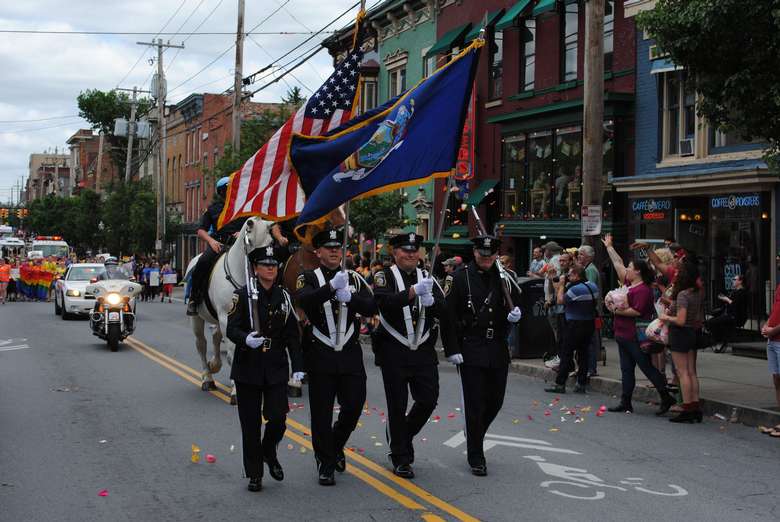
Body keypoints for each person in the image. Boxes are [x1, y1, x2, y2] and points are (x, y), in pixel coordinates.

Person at [295, 227, 377, 486]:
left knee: (354, 405)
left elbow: (372, 306)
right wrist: (331, 288)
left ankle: (335, 443)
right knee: (321, 412)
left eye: (337, 248)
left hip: (350, 354)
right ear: (318, 253)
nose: (334, 251)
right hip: (320, 352)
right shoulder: (308, 277)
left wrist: (349, 296)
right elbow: (305, 301)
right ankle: (325, 462)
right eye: (328, 248)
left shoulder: (354, 278)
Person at [441, 235, 522, 476]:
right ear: (475, 253)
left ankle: (475, 431)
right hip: (471, 345)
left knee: (495, 401)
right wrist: (452, 349)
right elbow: (448, 316)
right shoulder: (459, 277)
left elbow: (517, 302)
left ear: (496, 254)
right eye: (482, 254)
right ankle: (476, 454)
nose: (486, 259)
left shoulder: (505, 278)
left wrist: (516, 314)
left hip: (497, 345)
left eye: (491, 254)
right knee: (475, 402)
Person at [225, 244, 304, 492]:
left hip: (276, 366)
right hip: (248, 366)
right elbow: (231, 328)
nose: (270, 269)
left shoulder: (284, 296)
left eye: (274, 265)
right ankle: (255, 473)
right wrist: (245, 338)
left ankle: (269, 450)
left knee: (278, 418)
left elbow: (292, 334)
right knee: (250, 424)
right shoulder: (243, 294)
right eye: (265, 265)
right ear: (255, 269)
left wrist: (298, 366)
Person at [372, 233, 443, 479]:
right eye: (405, 250)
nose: (411, 254)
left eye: (415, 251)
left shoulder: (429, 277)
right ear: (395, 252)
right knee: (397, 404)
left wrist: (432, 301)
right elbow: (383, 303)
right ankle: (401, 457)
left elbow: (445, 311)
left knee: (428, 399)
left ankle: (401, 435)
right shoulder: (384, 275)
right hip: (394, 349)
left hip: (422, 349)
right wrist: (413, 292)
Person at [602, 234, 675, 415]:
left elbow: (636, 311)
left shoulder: (644, 290)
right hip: (622, 333)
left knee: (646, 367)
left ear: (638, 272)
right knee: (626, 369)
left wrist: (614, 310)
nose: (627, 269)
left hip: (635, 335)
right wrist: (609, 247)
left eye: (630, 268)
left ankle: (666, 397)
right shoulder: (629, 283)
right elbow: (618, 264)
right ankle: (625, 401)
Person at [187, 176, 249, 315]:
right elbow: (201, 230)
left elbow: (251, 224)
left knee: (263, 262)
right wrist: (211, 241)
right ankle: (194, 298)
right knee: (202, 263)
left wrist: (242, 232)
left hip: (239, 245)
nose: (230, 193)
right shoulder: (212, 209)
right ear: (221, 192)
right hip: (219, 244)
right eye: (227, 190)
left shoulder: (244, 208)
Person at [658, 261, 705, 423]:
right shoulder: (696, 292)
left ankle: (687, 408)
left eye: (679, 272)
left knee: (682, 372)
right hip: (693, 331)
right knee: (692, 371)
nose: (676, 274)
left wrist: (666, 317)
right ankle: (695, 406)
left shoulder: (683, 294)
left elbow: (680, 320)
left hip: (681, 333)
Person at [544, 264, 599, 394]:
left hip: (574, 324)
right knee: (583, 353)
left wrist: (562, 284)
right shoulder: (592, 286)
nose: (568, 276)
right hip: (589, 323)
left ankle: (560, 384)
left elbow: (560, 300)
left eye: (570, 274)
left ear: (576, 275)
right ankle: (581, 384)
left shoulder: (576, 289)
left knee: (566, 353)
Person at [544, 251, 572, 369]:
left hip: (567, 312)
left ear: (570, 262)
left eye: (564, 260)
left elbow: (561, 295)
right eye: (560, 260)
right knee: (560, 337)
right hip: (559, 310)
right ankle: (562, 360)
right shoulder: (562, 274)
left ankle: (564, 362)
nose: (561, 262)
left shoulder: (569, 275)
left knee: (564, 338)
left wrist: (553, 279)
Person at [577, 244, 603, 377]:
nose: (579, 256)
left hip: (590, 310)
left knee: (590, 340)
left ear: (588, 257)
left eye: (581, 254)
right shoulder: (585, 268)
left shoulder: (590, 270)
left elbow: (589, 289)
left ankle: (591, 368)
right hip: (586, 310)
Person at [760, 278, 780, 438]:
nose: (778, 258)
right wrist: (767, 325)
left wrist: (773, 331)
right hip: (772, 340)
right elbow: (775, 311)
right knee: (777, 380)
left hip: (778, 339)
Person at [706, 274, 748, 350]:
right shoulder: (735, 291)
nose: (733, 281)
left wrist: (726, 299)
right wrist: (724, 299)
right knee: (710, 321)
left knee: (711, 322)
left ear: (740, 281)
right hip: (729, 315)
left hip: (735, 316)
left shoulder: (742, 292)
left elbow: (735, 305)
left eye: (735, 279)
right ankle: (719, 339)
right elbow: (729, 304)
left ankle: (718, 340)